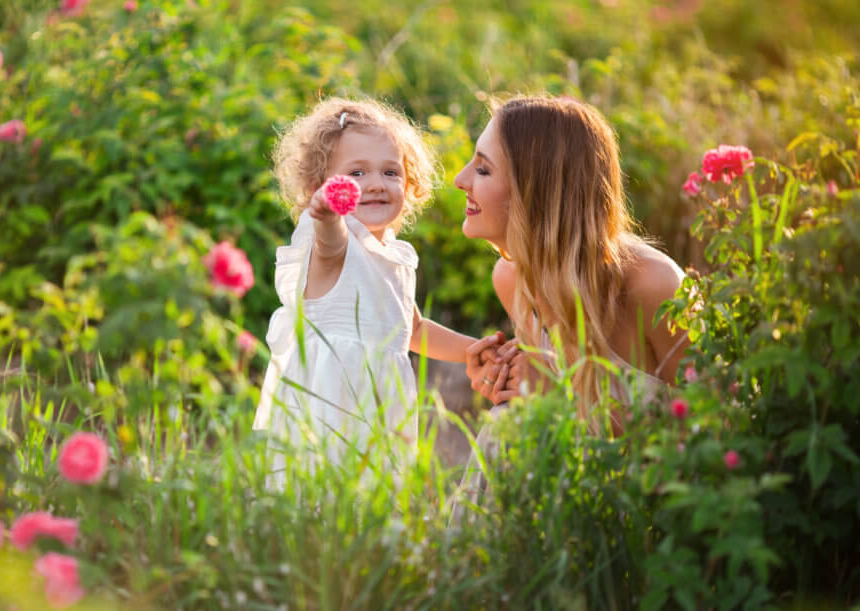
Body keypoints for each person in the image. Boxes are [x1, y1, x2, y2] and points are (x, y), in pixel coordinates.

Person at [452, 95, 690, 512]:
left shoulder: (654, 284)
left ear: (536, 191)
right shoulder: (511, 279)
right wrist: (509, 381)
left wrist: (560, 397)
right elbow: (563, 426)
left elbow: (719, 436)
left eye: (484, 168)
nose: (460, 179)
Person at [254, 97, 480, 486]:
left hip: (381, 409)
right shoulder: (331, 245)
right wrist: (326, 214)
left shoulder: (393, 256)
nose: (376, 183)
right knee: (324, 496)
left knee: (375, 499)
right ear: (317, 186)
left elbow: (414, 332)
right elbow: (331, 243)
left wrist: (472, 350)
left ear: (409, 184)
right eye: (356, 173)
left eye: (391, 172)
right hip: (330, 407)